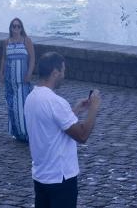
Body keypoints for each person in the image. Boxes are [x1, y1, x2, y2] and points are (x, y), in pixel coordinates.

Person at [24, 52, 101, 208]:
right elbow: (82, 135)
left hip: (41, 177)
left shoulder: (31, 97)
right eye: (63, 71)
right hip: (61, 178)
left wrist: (76, 111)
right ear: (55, 73)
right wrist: (94, 108)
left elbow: (52, 126)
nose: (64, 75)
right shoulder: (56, 102)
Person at [0, 17, 35, 142]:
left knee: (22, 107)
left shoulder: (26, 41)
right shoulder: (6, 42)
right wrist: (1, 73)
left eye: (18, 26)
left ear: (21, 28)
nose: (16, 28)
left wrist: (29, 73)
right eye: (13, 26)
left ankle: (25, 133)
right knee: (12, 106)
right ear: (10, 28)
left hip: (22, 81)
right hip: (10, 81)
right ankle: (16, 132)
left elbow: (32, 59)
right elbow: (4, 58)